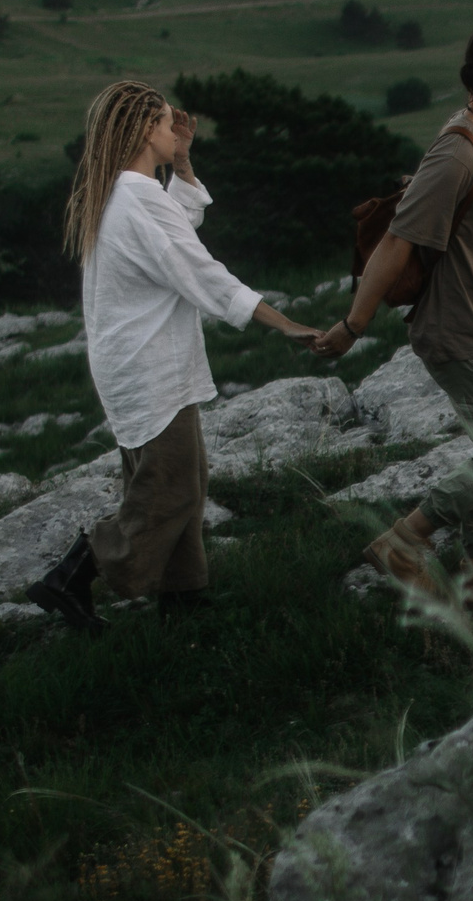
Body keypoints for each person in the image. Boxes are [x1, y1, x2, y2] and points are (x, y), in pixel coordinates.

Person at [29, 81, 318, 632]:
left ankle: (184, 599)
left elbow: (176, 230)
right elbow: (200, 270)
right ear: (143, 131)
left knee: (184, 477)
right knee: (171, 488)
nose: (173, 130)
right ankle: (72, 574)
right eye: (165, 125)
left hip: (134, 365)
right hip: (148, 367)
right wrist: (282, 323)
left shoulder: (127, 191)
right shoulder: (135, 198)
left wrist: (182, 161)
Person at [319, 22, 473, 607]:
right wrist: (353, 325)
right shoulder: (458, 149)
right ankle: (405, 541)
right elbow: (396, 243)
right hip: (460, 333)